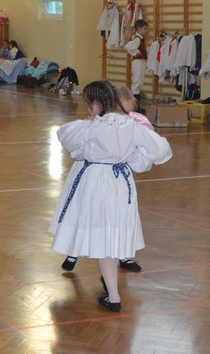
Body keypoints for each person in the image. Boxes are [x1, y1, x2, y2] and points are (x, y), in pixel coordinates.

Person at [49, 81, 172, 312]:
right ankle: (110, 286)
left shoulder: (92, 127)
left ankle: (114, 296)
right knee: (113, 232)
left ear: (95, 105)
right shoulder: (132, 126)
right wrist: (135, 158)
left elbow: (65, 135)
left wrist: (89, 132)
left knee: (102, 234)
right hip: (120, 181)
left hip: (95, 180)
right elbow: (160, 149)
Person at [59, 86, 151, 274]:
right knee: (84, 213)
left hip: (116, 180)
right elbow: (75, 149)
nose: (125, 116)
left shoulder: (131, 128)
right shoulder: (95, 125)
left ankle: (122, 254)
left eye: (129, 112)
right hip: (90, 175)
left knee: (120, 217)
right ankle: (73, 250)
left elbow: (141, 161)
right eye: (121, 112)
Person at [124, 19, 148, 108]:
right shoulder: (137, 39)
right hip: (138, 62)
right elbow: (128, 46)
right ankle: (135, 107)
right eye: (145, 29)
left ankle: (137, 106)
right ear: (139, 29)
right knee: (137, 82)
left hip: (140, 62)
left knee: (139, 82)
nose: (146, 31)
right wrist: (135, 53)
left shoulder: (140, 39)